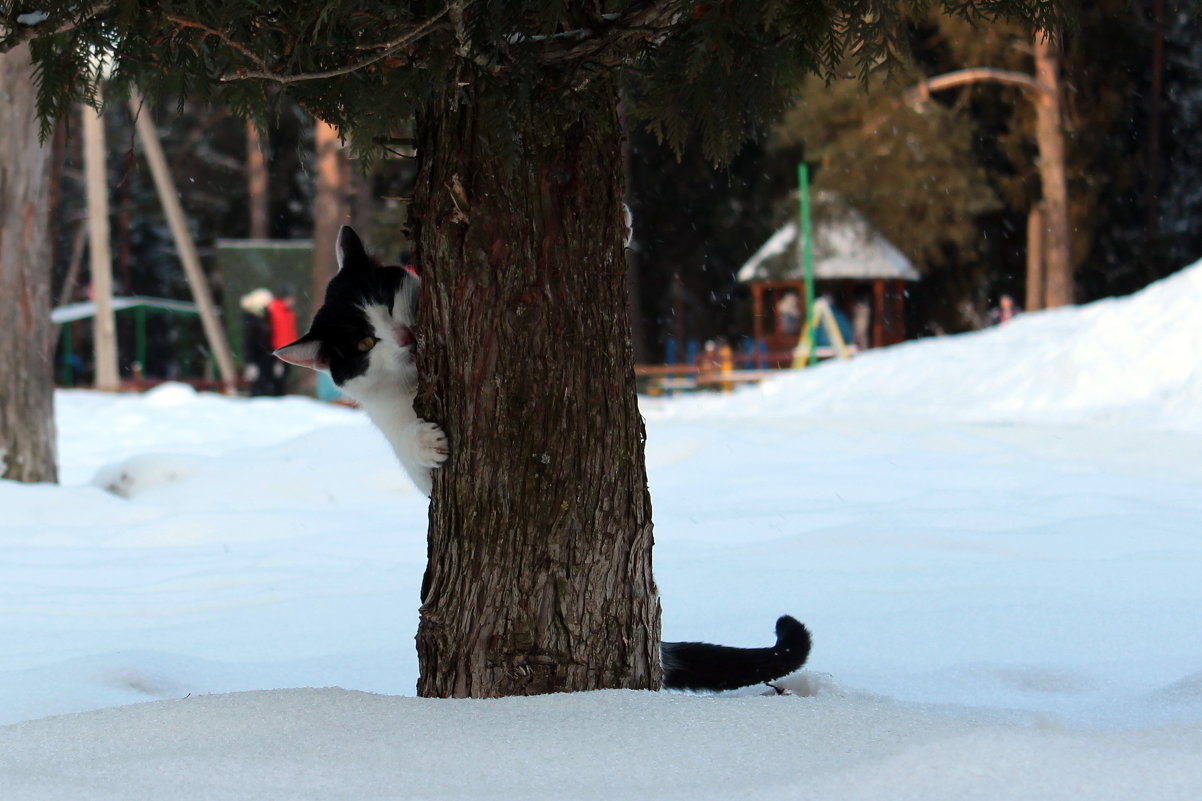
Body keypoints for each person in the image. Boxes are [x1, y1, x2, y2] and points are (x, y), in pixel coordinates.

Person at [240, 288, 275, 396]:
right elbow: (249, 343)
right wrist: (250, 362)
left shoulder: (265, 318)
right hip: (256, 359)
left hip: (265, 358)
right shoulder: (251, 320)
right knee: (258, 388)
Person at [267, 287, 300, 395]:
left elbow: (290, 332)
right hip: (277, 352)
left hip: (286, 351)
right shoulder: (275, 310)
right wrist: (277, 356)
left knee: (283, 379)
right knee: (277, 380)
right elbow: (277, 334)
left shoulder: (289, 312)